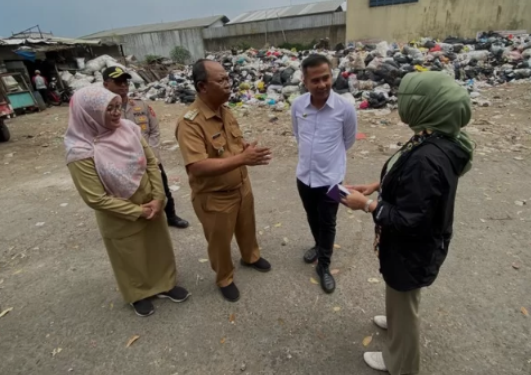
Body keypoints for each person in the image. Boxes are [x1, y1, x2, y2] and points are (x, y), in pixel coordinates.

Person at [342, 72, 474, 374]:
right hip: (413, 246)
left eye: (410, 99)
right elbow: (413, 187)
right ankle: (396, 318)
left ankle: (400, 363)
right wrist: (378, 186)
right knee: (399, 293)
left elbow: (409, 220)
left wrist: (367, 206)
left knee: (405, 299)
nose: (402, 104)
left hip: (412, 249)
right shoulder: (438, 135)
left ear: (430, 107)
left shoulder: (427, 159)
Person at [65, 86, 190, 317]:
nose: (115, 113)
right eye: (108, 109)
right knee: (129, 254)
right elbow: (95, 198)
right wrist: (136, 211)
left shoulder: (130, 129)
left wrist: (158, 197)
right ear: (88, 113)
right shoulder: (80, 150)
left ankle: (165, 284)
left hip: (150, 200)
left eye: (116, 106)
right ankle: (138, 293)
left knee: (158, 245)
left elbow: (152, 164)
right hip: (118, 212)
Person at [176, 59, 272, 302]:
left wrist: (245, 149)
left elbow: (233, 146)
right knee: (220, 242)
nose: (229, 84)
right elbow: (197, 166)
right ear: (202, 86)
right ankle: (224, 277)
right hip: (215, 197)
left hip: (241, 187)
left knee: (247, 227)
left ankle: (250, 257)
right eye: (221, 80)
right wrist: (243, 158)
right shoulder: (190, 122)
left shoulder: (226, 112)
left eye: (228, 78)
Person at [291, 54, 357, 294]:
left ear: (332, 76)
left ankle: (324, 265)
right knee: (312, 216)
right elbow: (298, 135)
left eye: (326, 78)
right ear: (305, 81)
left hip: (331, 181)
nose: (322, 85)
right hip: (304, 178)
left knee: (328, 222)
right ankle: (319, 246)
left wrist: (330, 162)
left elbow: (348, 140)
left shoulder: (345, 108)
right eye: (315, 80)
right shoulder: (298, 105)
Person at [102, 66, 189, 229]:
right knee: (130, 192)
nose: (123, 85)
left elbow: (154, 131)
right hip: (122, 163)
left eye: (125, 81)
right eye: (118, 81)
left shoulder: (141, 105)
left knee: (162, 188)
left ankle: (171, 216)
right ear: (106, 84)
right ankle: (139, 216)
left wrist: (152, 154)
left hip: (150, 158)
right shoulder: (102, 110)